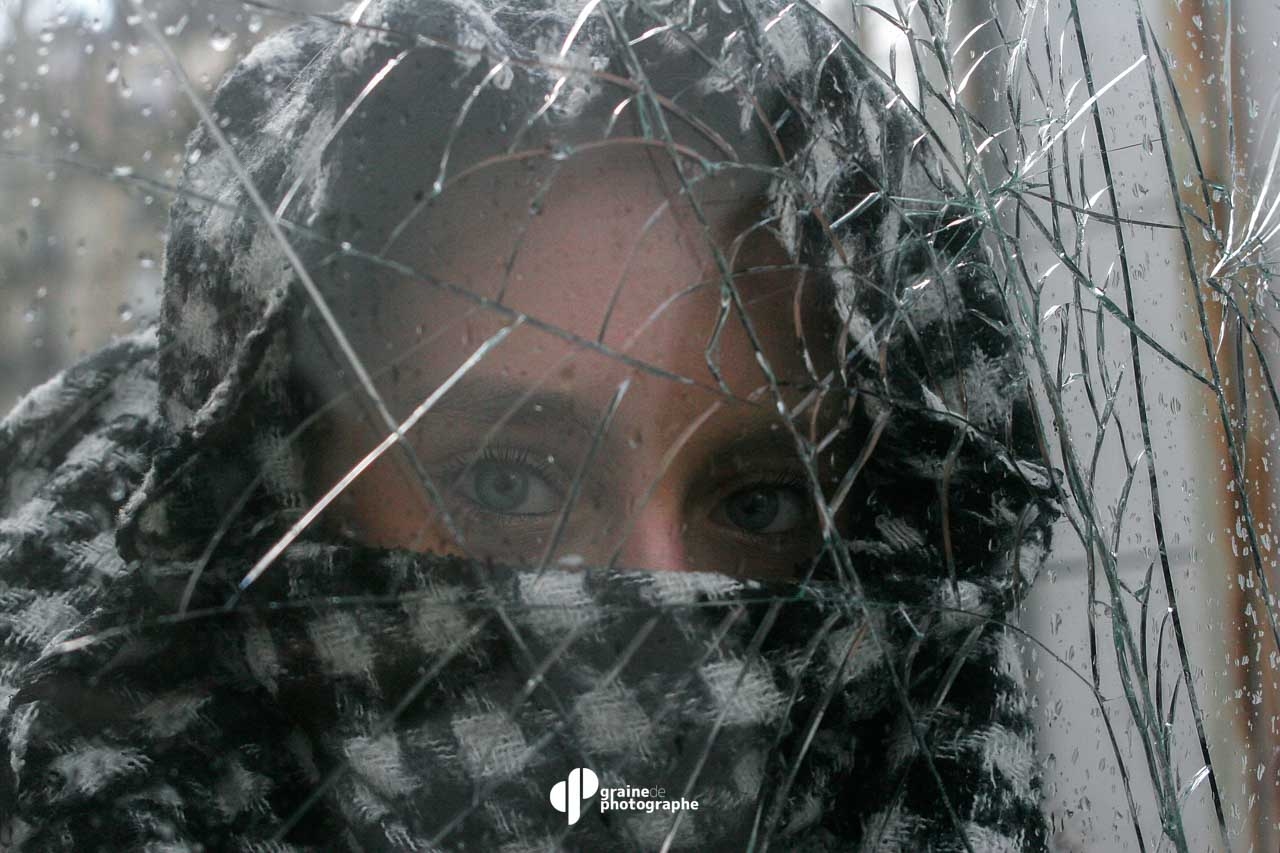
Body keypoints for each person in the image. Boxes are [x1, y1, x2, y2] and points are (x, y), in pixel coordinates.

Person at [0, 0, 1058, 849]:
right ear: (275, 490)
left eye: (759, 503)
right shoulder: (87, 784)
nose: (662, 612)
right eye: (507, 482)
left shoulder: (926, 788)